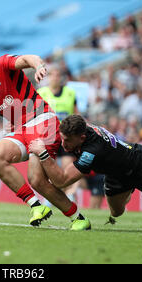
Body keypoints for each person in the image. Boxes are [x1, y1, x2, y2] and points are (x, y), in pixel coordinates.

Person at [0, 42, 90, 231]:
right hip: (19, 129)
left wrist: (39, 65)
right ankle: (36, 206)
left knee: (36, 180)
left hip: (42, 119)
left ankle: (78, 218)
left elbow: (27, 59)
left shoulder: (0, 64)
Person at [37, 65, 79, 202]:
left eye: (57, 75)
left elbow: (76, 113)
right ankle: (51, 197)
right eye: (52, 75)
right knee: (50, 168)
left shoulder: (70, 93)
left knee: (67, 168)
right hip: (49, 136)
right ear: (48, 77)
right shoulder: (41, 93)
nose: (55, 77)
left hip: (66, 137)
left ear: (61, 78)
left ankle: (69, 195)